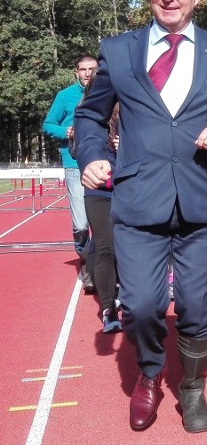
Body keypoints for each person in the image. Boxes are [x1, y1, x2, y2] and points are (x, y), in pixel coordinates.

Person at [75, 0, 207, 433]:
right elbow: (90, 116)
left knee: (200, 308)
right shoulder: (118, 51)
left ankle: (193, 388)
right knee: (140, 305)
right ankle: (149, 373)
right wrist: (93, 154)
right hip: (140, 200)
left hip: (205, 199)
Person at [44, 55, 95, 293]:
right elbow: (48, 124)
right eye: (82, 70)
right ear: (76, 73)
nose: (87, 73)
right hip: (75, 164)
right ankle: (85, 258)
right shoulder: (65, 96)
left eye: (91, 69)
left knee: (107, 221)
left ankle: (98, 268)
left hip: (103, 163)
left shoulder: (107, 92)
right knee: (81, 223)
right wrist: (66, 131)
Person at [80, 101, 122, 333]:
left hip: (126, 190)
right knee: (106, 247)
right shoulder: (87, 115)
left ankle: (127, 294)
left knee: (126, 247)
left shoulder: (132, 109)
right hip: (97, 192)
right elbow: (79, 152)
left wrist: (126, 145)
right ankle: (108, 309)